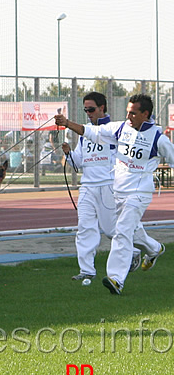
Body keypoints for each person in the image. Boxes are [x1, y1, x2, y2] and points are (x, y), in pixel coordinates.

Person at [55, 94, 174, 295]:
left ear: (146, 114)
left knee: (121, 232)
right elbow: (92, 132)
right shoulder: (120, 128)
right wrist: (67, 123)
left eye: (133, 113)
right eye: (128, 111)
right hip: (119, 192)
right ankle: (153, 249)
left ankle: (116, 279)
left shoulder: (158, 138)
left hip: (139, 193)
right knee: (123, 230)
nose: (129, 116)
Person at [61, 92, 144, 282]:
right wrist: (68, 154)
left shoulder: (115, 130)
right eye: (85, 110)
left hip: (109, 185)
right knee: (84, 228)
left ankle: (133, 251)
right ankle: (87, 270)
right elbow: (78, 163)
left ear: (102, 108)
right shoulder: (84, 133)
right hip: (88, 186)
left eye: (91, 109)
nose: (88, 113)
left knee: (110, 229)